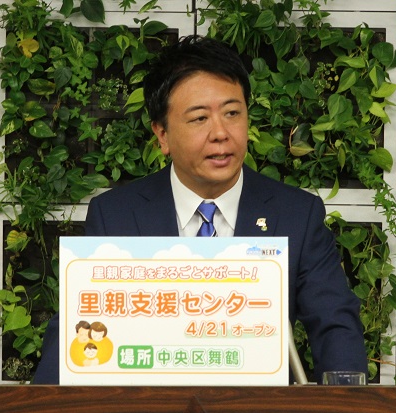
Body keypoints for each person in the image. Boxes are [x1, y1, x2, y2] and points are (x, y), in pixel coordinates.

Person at [33, 35, 368, 384]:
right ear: (162, 135)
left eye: (232, 113)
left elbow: (335, 326)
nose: (220, 133)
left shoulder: (297, 214)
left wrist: (345, 397)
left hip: (258, 408)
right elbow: (76, 332)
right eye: (199, 118)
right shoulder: (115, 216)